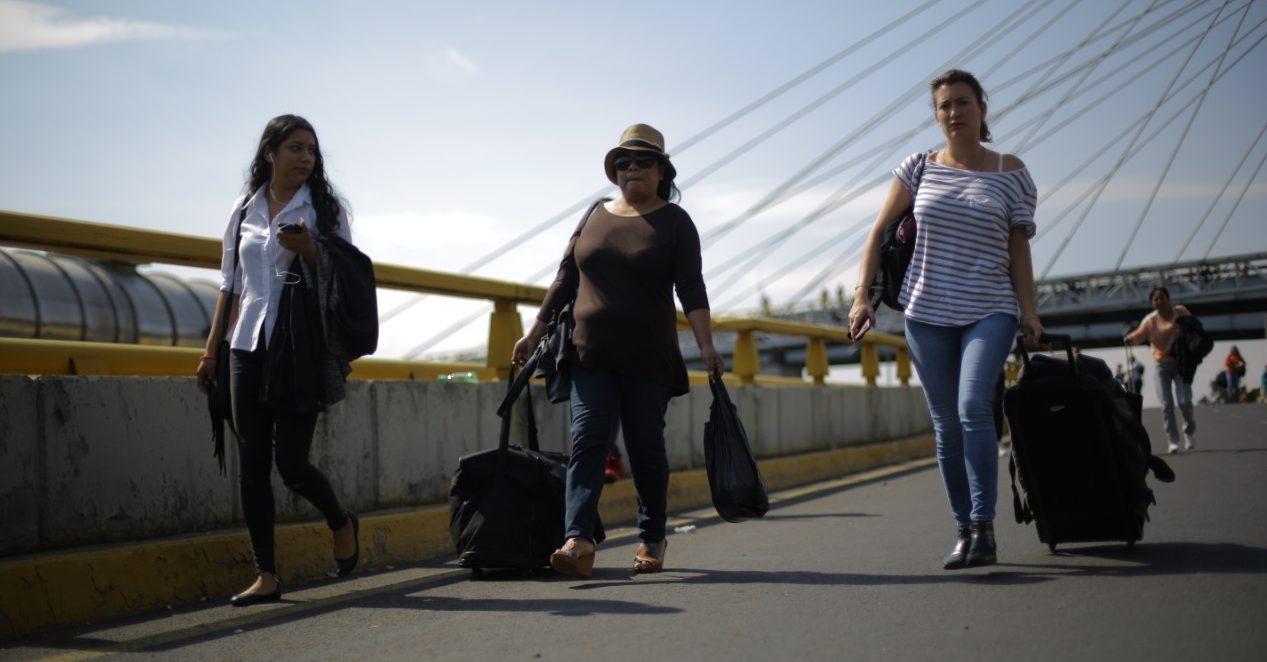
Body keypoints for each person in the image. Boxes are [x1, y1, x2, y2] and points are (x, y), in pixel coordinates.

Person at [848, 70, 1041, 570]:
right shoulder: (918, 167)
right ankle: (963, 528)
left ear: (983, 109)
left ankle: (984, 527)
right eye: (944, 106)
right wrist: (861, 297)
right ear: (937, 116)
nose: (953, 112)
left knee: (973, 405)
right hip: (926, 310)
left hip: (989, 308)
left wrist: (1029, 310)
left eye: (962, 102)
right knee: (945, 425)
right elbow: (878, 232)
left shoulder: (1011, 172)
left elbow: (1018, 250)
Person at [513, 123, 724, 578]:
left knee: (645, 447)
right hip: (590, 351)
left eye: (643, 161)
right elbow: (565, 277)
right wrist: (535, 331)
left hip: (649, 356)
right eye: (624, 162)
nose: (632, 169)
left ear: (662, 171)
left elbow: (691, 287)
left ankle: (652, 537)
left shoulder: (675, 223)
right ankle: (578, 539)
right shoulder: (595, 215)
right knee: (587, 440)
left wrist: (706, 343)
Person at [196, 115, 359, 606]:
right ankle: (265, 574)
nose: (306, 157)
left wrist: (311, 250)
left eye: (311, 149)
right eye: (294, 147)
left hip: (300, 350)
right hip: (246, 346)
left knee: (291, 463)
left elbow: (346, 278)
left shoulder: (326, 210)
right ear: (269, 152)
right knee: (251, 466)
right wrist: (210, 351)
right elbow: (230, 283)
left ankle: (340, 520)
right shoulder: (244, 208)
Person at [1125, 287, 1195, 454]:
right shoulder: (1150, 321)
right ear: (1152, 303)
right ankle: (1173, 441)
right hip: (1161, 365)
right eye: (1155, 299)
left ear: (1168, 298)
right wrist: (1129, 338)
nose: (1158, 301)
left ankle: (1189, 430)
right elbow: (1139, 335)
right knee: (1166, 405)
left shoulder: (1181, 312)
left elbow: (1194, 327)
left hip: (1181, 363)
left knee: (1184, 402)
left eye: (1161, 297)